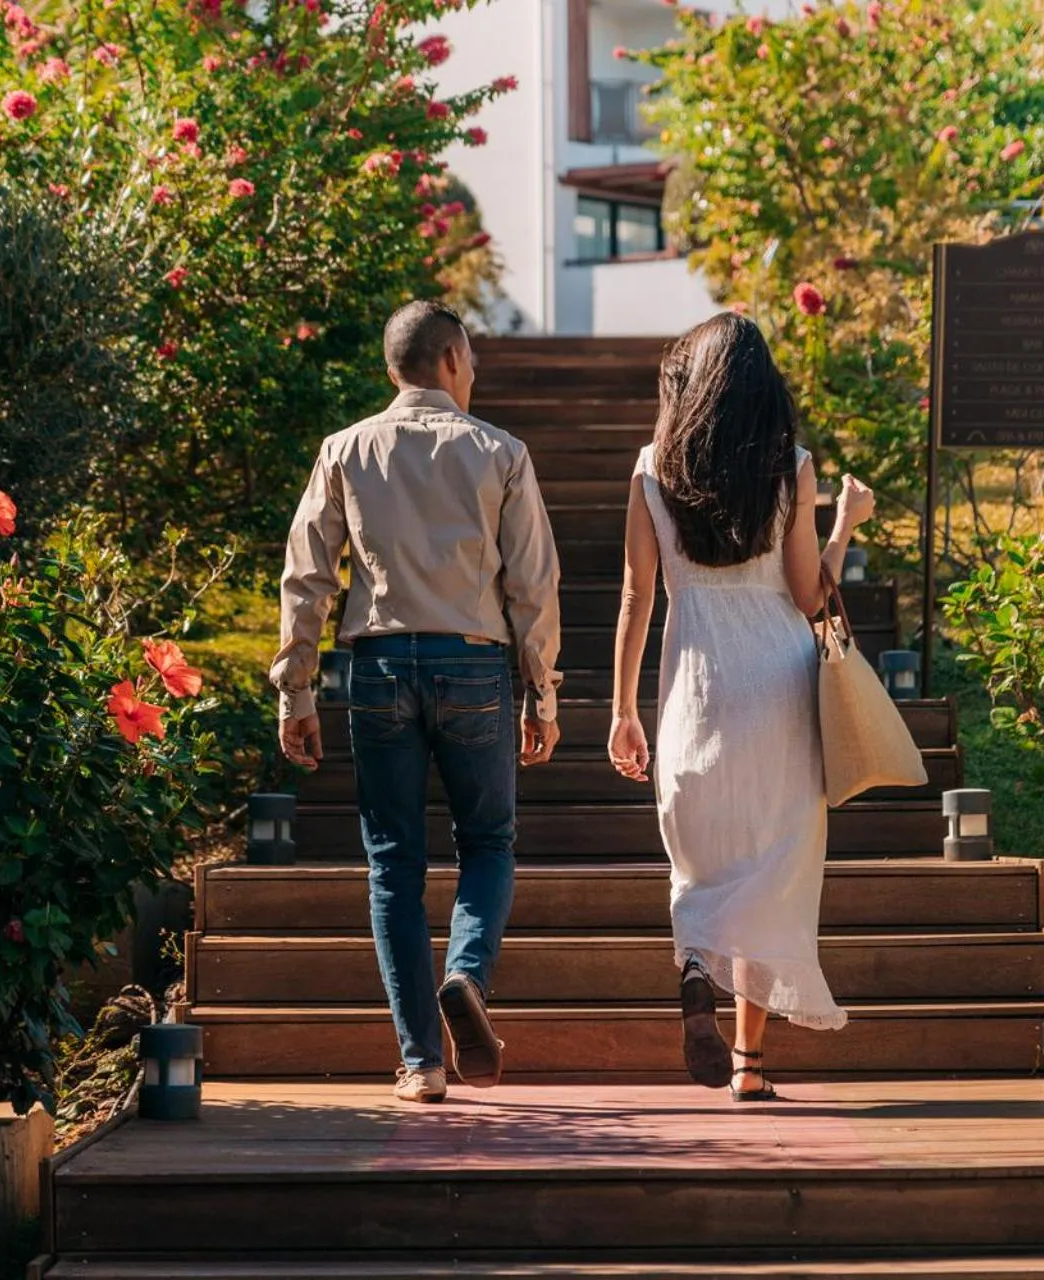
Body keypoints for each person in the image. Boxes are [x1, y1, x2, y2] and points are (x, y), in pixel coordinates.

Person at [271, 300, 563, 1104]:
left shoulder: (344, 450)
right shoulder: (501, 452)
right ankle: (466, 973)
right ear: (451, 360)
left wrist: (295, 690)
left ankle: (421, 1063)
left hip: (377, 667)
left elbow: (308, 577)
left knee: (393, 864)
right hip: (473, 664)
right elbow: (533, 585)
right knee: (490, 841)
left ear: (392, 369)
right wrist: (542, 694)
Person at [607, 312, 875, 1102]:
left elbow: (636, 596)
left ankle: (694, 966)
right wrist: (842, 530)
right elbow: (805, 596)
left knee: (700, 860)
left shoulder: (652, 469)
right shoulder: (791, 468)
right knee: (772, 869)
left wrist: (623, 708)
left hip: (694, 695)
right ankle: (750, 1064)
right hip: (778, 691)